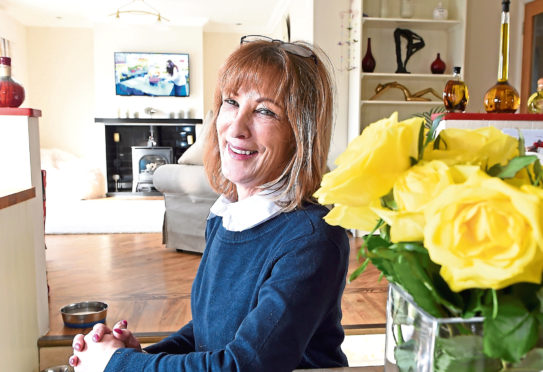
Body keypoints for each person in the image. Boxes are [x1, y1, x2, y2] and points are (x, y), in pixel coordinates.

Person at [69, 35, 350, 372]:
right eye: (231, 102)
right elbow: (211, 332)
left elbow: (244, 365)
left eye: (264, 110)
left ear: (299, 134)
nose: (236, 127)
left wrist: (119, 365)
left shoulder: (312, 238)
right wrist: (138, 357)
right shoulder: (224, 216)